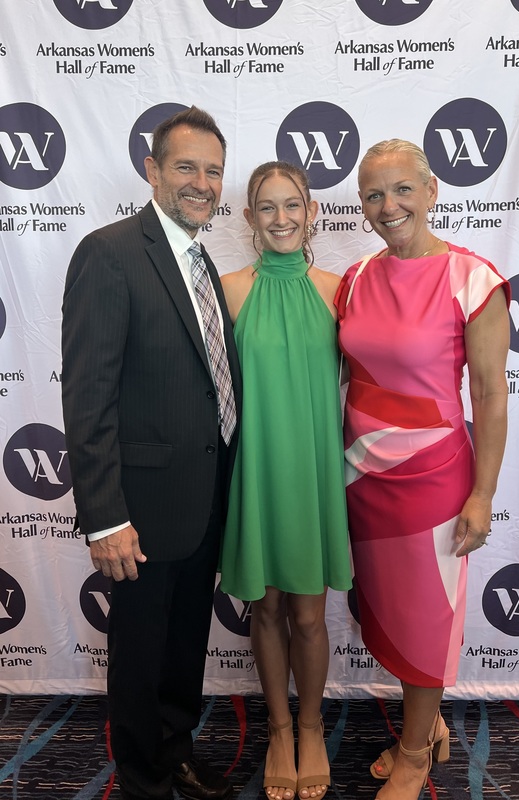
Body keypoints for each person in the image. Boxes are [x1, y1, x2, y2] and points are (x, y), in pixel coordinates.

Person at [61, 106, 242, 800]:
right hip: (138, 509)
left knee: (185, 645)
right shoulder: (109, 254)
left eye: (213, 171)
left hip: (205, 496)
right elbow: (88, 395)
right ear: (153, 171)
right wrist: (104, 516)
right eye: (187, 167)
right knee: (140, 655)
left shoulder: (202, 259)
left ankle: (176, 753)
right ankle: (141, 781)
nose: (202, 182)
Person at [335, 139, 510, 800]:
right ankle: (427, 723)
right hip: (361, 476)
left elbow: (490, 395)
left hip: (434, 480)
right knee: (386, 610)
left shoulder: (474, 278)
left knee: (426, 616)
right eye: (374, 195)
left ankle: (414, 753)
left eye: (402, 189)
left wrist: (484, 493)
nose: (389, 206)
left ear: (432, 191)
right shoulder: (355, 278)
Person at [219, 162, 352, 800]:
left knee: (309, 611)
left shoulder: (337, 289)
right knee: (266, 606)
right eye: (266, 208)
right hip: (257, 470)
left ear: (312, 213)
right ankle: (277, 729)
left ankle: (311, 726)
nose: (280, 219)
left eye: (292, 206)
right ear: (248, 219)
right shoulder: (229, 290)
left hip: (316, 470)